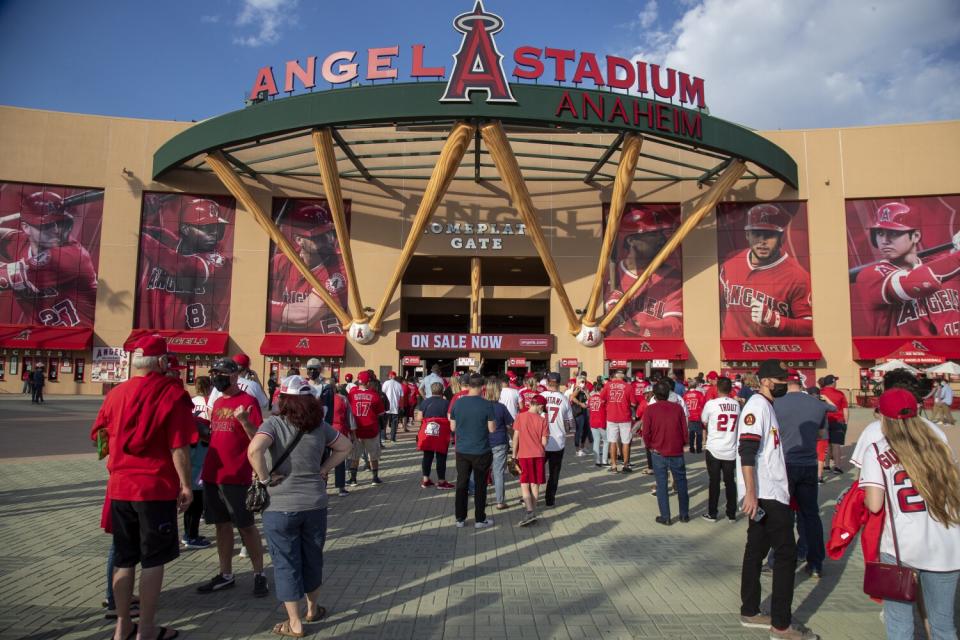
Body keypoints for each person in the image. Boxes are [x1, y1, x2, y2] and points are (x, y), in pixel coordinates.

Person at [90, 335, 195, 640]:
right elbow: (179, 447)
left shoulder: (114, 394)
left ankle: (122, 626)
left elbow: (100, 437)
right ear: (162, 362)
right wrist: (186, 485)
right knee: (153, 559)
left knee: (123, 558)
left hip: (120, 487)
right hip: (155, 488)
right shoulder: (171, 394)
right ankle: (146, 629)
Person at [247, 375, 353, 638]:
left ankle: (294, 623)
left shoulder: (273, 424)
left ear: (282, 399)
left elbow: (254, 451)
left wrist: (264, 478)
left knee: (286, 562)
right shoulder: (320, 426)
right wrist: (323, 470)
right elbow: (345, 446)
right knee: (312, 558)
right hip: (314, 503)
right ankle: (312, 609)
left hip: (279, 505)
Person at [858, 388, 960, 639]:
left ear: (883, 416)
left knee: (900, 624)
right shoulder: (938, 444)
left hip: (902, 548)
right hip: (947, 545)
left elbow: (874, 504)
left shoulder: (877, 449)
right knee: (944, 625)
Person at [737, 359, 817, 639]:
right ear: (767, 381)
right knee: (786, 554)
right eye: (780, 380)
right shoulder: (757, 407)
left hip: (768, 491)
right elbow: (746, 450)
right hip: (765, 493)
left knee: (755, 550)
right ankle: (781, 625)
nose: (785, 384)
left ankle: (750, 610)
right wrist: (750, 492)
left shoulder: (765, 406)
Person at [196, 357, 269, 597]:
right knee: (221, 526)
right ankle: (225, 574)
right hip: (212, 474)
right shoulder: (217, 403)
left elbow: (258, 439)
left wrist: (245, 421)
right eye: (214, 373)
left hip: (237, 475)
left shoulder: (248, 402)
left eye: (222, 374)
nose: (217, 377)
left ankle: (259, 574)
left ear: (235, 376)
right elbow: (215, 435)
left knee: (246, 527)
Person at [854, 201, 960, 336]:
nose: (885, 240)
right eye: (880, 233)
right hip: (900, 356)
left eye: (893, 233)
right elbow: (922, 283)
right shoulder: (869, 276)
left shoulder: (946, 264)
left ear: (915, 236)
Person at [0, 190, 98, 327]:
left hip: (83, 339)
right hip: (42, 338)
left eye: (60, 223)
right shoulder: (21, 243)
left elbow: (5, 277)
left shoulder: (71, 256)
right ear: (26, 228)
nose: (56, 230)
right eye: (47, 225)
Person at [137, 196, 232, 331]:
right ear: (186, 229)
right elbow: (138, 231)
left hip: (204, 336)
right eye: (208, 228)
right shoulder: (168, 240)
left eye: (218, 229)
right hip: (163, 334)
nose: (215, 234)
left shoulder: (220, 262)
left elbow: (179, 265)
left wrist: (141, 238)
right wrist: (146, 213)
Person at [719, 203, 813, 338]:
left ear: (781, 238)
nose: (762, 241)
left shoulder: (798, 276)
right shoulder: (730, 262)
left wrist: (776, 321)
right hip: (731, 354)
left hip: (771, 354)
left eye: (769, 235)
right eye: (757, 234)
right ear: (747, 235)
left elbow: (812, 327)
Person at [773, 370, 828, 578]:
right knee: (810, 515)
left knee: (782, 514)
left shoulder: (776, 404)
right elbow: (821, 435)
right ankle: (815, 562)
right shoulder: (817, 404)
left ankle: (778, 559)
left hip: (785, 463)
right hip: (809, 464)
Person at [268, 202, 348, 333]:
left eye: (329, 233)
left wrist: (260, 305)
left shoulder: (339, 268)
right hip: (288, 343)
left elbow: (304, 315)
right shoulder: (282, 261)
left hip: (326, 344)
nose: (327, 240)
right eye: (317, 236)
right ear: (298, 239)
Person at [603, 206, 683, 337]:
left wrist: (639, 327)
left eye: (661, 234)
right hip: (616, 350)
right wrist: (612, 304)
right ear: (631, 240)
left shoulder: (671, 277)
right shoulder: (611, 274)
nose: (661, 240)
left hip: (660, 350)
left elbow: (675, 325)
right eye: (652, 235)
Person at [450, 373, 496, 528]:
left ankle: (460, 519)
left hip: (462, 450)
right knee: (480, 486)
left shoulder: (458, 403)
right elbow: (492, 429)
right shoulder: (487, 404)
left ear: (468, 385)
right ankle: (479, 519)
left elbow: (452, 427)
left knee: (461, 483)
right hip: (481, 450)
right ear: (483, 387)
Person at [642, 380, 689, 525]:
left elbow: (646, 432)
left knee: (661, 485)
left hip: (658, 451)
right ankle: (684, 514)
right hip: (676, 450)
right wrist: (684, 443)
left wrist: (649, 446)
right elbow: (684, 429)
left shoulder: (650, 409)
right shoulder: (677, 408)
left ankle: (666, 516)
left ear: (654, 395)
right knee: (681, 483)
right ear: (669, 393)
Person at [700, 377, 741, 522]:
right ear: (731, 390)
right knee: (730, 482)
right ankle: (732, 513)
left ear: (717, 389)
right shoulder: (736, 404)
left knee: (714, 482)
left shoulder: (711, 404)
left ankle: (713, 513)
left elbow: (704, 420)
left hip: (714, 447)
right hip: (730, 448)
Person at [183, 376, 213, 549]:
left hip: (191, 449)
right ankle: (190, 535)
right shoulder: (210, 401)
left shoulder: (192, 401)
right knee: (196, 500)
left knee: (192, 500)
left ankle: (188, 534)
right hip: (202, 447)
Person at [511, 393, 549, 526]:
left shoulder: (520, 417)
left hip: (524, 455)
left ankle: (529, 512)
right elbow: (544, 442)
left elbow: (516, 438)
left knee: (524, 483)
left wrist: (514, 454)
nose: (542, 410)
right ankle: (532, 511)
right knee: (535, 483)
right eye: (542, 408)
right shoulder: (543, 420)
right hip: (538, 455)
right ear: (539, 405)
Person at [541, 372, 574, 507]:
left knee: (536, 469)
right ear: (559, 383)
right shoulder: (564, 399)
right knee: (554, 472)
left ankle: (531, 496)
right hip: (558, 441)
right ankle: (550, 499)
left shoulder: (540, 397)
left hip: (540, 440)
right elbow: (570, 424)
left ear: (548, 382)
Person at [347, 371, 385, 486]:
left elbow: (347, 410)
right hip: (371, 430)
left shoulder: (352, 394)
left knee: (355, 456)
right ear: (368, 382)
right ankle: (374, 478)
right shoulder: (374, 395)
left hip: (356, 430)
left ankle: (353, 479)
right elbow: (381, 413)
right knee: (373, 455)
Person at [417, 382, 454, 489]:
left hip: (428, 433)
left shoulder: (425, 402)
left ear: (431, 390)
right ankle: (441, 481)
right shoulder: (447, 403)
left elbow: (419, 418)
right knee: (441, 457)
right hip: (442, 434)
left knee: (427, 456)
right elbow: (450, 418)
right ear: (442, 391)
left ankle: (425, 480)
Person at [485, 377, 515, 510]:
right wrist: (514, 439)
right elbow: (511, 425)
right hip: (500, 442)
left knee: (482, 473)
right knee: (498, 473)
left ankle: (482, 500)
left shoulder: (482, 406)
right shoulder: (501, 408)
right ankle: (500, 501)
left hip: (484, 443)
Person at [600, 368, 635, 473]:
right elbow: (633, 404)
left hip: (611, 417)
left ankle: (614, 466)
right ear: (623, 377)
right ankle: (625, 465)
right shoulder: (628, 386)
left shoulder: (608, 385)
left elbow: (602, 399)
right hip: (625, 417)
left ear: (615, 376)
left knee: (613, 441)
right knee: (625, 442)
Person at [818, 375, 847, 474]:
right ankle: (837, 467)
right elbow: (845, 410)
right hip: (837, 421)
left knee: (825, 445)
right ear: (833, 382)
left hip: (823, 421)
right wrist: (845, 422)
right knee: (836, 445)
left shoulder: (820, 393)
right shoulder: (840, 394)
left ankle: (826, 465)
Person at [330, 385, 354, 497]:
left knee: (322, 460)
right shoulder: (342, 398)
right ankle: (341, 487)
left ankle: (322, 487)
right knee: (339, 460)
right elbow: (349, 417)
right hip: (339, 431)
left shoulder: (319, 399)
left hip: (323, 431)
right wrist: (352, 432)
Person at [567, 378, 590, 456]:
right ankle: (577, 450)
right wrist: (580, 404)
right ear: (578, 382)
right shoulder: (576, 389)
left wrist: (585, 391)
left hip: (584, 411)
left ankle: (582, 447)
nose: (583, 383)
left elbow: (589, 398)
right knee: (579, 431)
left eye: (584, 381)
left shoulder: (585, 389)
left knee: (586, 430)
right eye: (582, 382)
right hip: (578, 412)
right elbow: (572, 398)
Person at [587, 383, 608, 468]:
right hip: (601, 421)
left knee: (596, 441)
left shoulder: (591, 398)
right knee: (606, 441)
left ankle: (597, 461)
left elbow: (588, 407)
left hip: (592, 421)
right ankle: (604, 461)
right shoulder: (603, 398)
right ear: (601, 389)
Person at [682, 383, 706, 453]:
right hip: (697, 416)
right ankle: (699, 448)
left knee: (691, 433)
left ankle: (691, 448)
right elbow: (703, 404)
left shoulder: (685, 395)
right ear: (695, 387)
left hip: (689, 416)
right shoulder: (699, 394)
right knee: (699, 433)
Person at [382, 371, 404, 442]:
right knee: (394, 423)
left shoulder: (386, 383)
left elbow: (382, 394)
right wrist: (401, 406)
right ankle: (392, 438)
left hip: (386, 407)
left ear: (390, 376)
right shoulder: (399, 385)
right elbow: (402, 397)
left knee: (384, 422)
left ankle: (383, 437)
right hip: (395, 407)